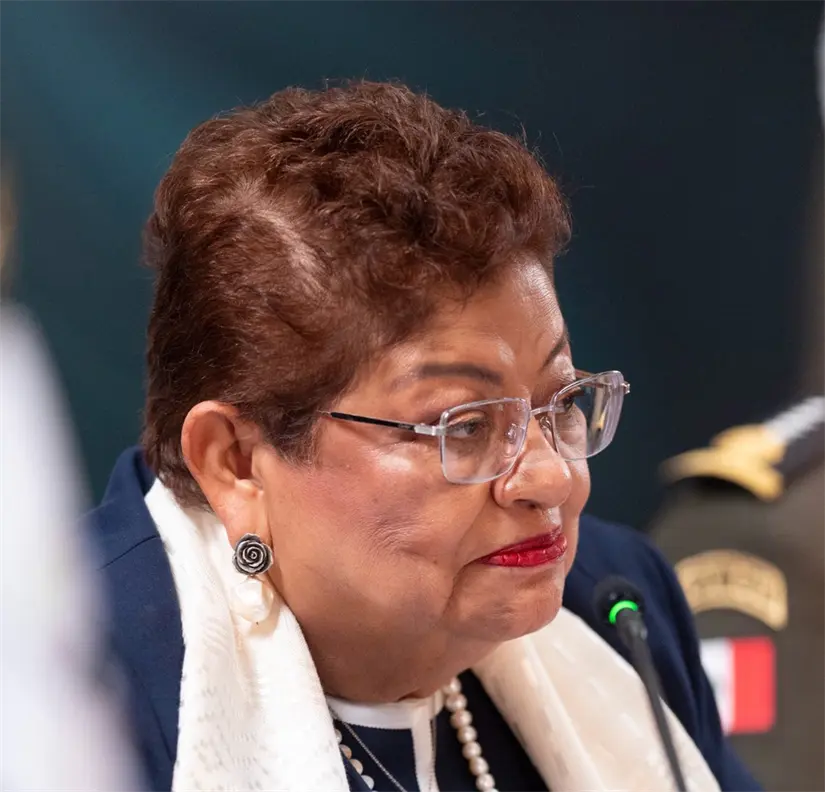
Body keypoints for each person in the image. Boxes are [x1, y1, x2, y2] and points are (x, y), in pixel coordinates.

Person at [86, 81, 761, 792]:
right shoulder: (73, 696)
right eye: (464, 425)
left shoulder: (615, 607)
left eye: (558, 399)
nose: (551, 478)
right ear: (237, 463)